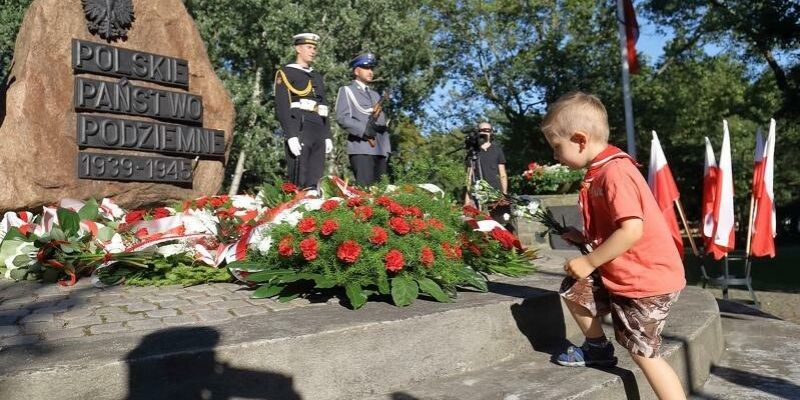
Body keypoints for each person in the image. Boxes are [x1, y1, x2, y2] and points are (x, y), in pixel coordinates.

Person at [541, 92, 686, 400]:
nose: (555, 156)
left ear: (580, 139)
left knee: (644, 353)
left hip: (646, 282)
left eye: (557, 147)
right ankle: (597, 348)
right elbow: (616, 226)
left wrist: (590, 260)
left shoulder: (615, 172)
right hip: (626, 272)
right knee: (575, 287)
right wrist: (584, 238)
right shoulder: (600, 171)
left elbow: (632, 229)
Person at [273, 33, 333, 190]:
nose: (313, 51)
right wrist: (290, 135)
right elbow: (282, 106)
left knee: (316, 175)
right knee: (300, 175)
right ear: (298, 49)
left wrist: (327, 135)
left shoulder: (316, 76)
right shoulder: (286, 73)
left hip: (318, 125)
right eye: (309, 47)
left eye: (314, 48)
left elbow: (324, 107)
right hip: (300, 124)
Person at [335, 53, 391, 186]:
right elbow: (342, 117)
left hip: (381, 148)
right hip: (362, 147)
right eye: (366, 68)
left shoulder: (375, 94)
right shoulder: (347, 91)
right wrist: (363, 130)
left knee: (382, 195)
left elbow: (381, 121)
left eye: (371, 68)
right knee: (365, 193)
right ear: (356, 71)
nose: (370, 72)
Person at [464, 122, 509, 224]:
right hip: (477, 196)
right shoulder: (472, 152)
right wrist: (467, 199)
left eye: (487, 130)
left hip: (495, 194)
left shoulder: (497, 150)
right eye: (481, 130)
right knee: (480, 226)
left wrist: (505, 194)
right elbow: (468, 177)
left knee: (499, 224)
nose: (484, 132)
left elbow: (503, 174)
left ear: (491, 132)